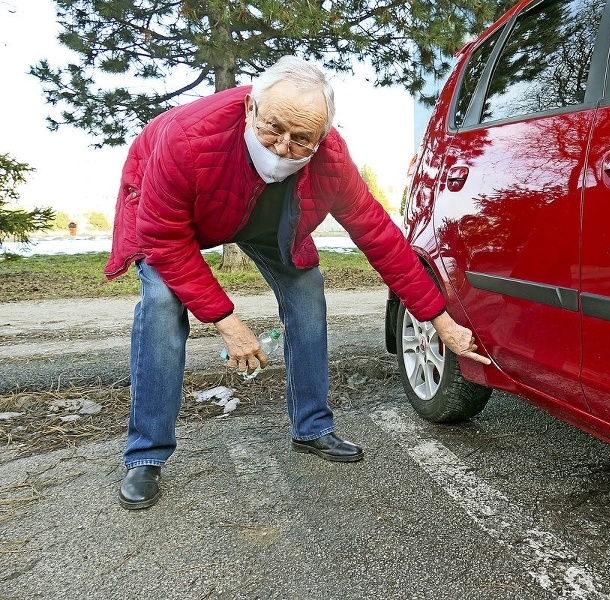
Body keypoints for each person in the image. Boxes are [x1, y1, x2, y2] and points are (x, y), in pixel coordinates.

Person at [104, 56, 491, 510]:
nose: (283, 148)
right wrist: (228, 321)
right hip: (176, 216)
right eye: (273, 130)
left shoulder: (331, 160)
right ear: (250, 109)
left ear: (323, 137)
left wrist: (437, 319)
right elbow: (165, 238)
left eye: (301, 139)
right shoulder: (187, 138)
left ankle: (312, 427)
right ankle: (145, 454)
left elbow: (382, 240)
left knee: (307, 292)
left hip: (267, 220)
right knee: (163, 306)